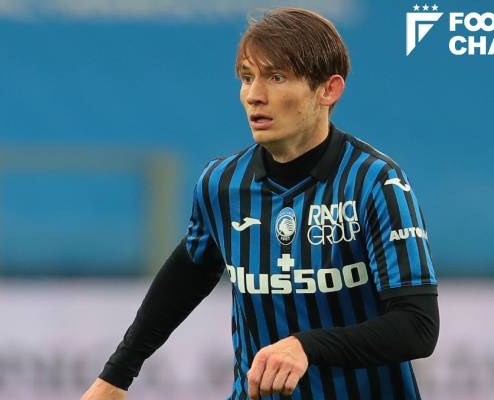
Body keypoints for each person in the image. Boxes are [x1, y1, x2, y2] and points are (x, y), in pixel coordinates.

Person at [81, 7, 439, 400]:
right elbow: (188, 273)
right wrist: (116, 376)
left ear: (328, 90)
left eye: (277, 77)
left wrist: (305, 346)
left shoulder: (375, 183)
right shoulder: (222, 184)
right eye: (247, 78)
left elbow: (417, 326)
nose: (254, 95)